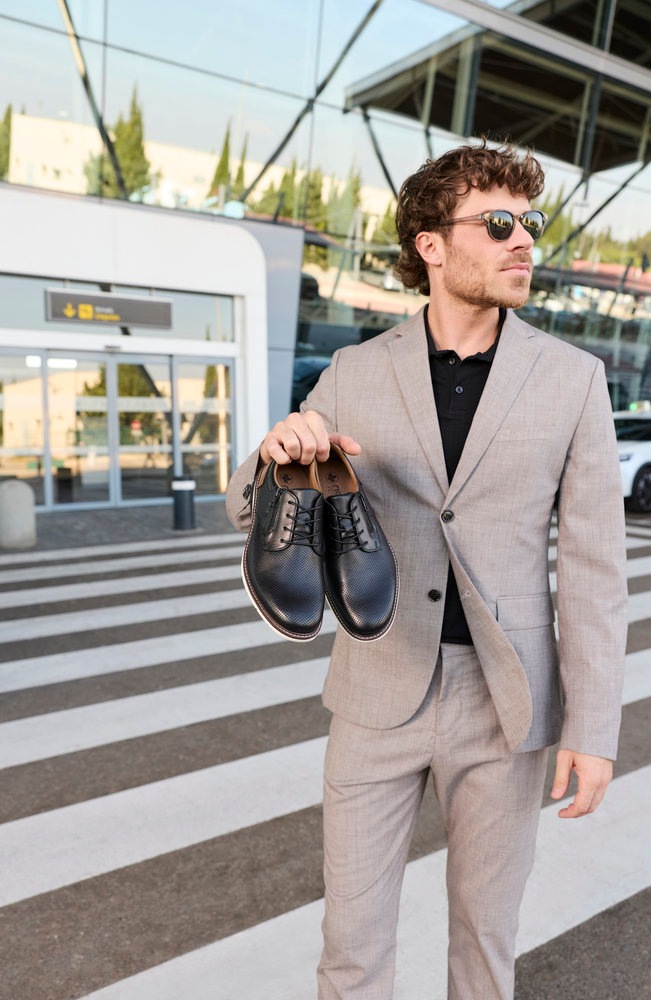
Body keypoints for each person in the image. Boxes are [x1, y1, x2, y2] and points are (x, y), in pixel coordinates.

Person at [225, 140, 628, 999]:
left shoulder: (573, 379)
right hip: (377, 687)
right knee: (351, 943)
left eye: (529, 223)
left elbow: (596, 568)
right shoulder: (354, 370)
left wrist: (593, 728)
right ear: (431, 246)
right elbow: (245, 504)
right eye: (498, 223)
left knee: (485, 943)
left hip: (503, 699)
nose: (524, 241)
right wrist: (277, 451)